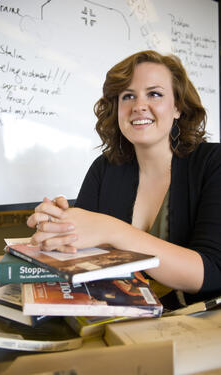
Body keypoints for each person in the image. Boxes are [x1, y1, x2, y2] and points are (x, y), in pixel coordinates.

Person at [27, 50, 221, 307]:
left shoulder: (213, 162)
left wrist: (112, 230)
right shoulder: (104, 168)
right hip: (119, 317)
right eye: (128, 96)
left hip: (197, 327)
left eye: (154, 94)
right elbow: (83, 257)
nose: (139, 106)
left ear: (177, 107)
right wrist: (59, 230)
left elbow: (210, 273)